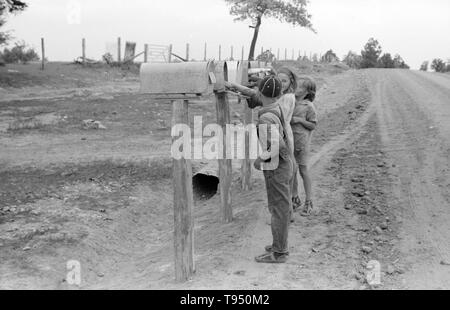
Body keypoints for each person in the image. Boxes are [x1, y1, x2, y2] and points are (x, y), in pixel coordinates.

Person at [252, 75, 295, 264]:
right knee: (279, 207)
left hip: (277, 167)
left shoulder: (265, 118)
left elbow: (278, 145)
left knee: (278, 209)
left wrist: (259, 159)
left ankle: (279, 253)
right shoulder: (277, 106)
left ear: (260, 93)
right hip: (284, 165)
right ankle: (279, 243)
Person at [290, 77, 318, 216]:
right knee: (292, 170)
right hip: (291, 141)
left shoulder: (308, 106)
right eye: (297, 86)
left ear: (307, 92)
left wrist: (300, 120)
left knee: (303, 171)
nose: (297, 89)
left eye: (301, 88)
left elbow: (313, 125)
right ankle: (295, 197)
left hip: (302, 143)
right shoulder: (291, 102)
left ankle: (309, 201)